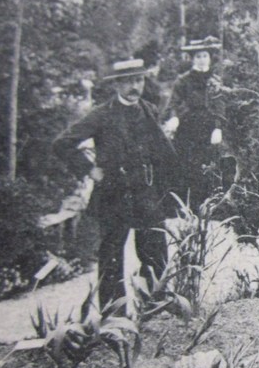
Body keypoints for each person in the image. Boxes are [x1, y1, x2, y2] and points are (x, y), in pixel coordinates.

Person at [53, 59, 179, 313]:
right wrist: (90, 170)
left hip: (145, 190)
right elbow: (62, 143)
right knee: (111, 256)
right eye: (129, 81)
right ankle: (113, 314)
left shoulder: (149, 110)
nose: (135, 86)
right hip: (114, 192)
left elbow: (162, 152)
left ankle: (155, 306)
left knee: (154, 249)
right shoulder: (102, 114)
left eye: (139, 80)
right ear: (117, 84)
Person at [167, 36, 238, 209]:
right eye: (198, 56)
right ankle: (186, 206)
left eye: (204, 56)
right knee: (186, 165)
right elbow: (174, 102)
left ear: (210, 58)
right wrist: (175, 116)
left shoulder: (215, 81)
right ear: (192, 59)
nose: (201, 60)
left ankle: (211, 205)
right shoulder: (183, 81)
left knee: (213, 164)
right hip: (187, 128)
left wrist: (218, 127)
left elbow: (220, 105)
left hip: (209, 129)